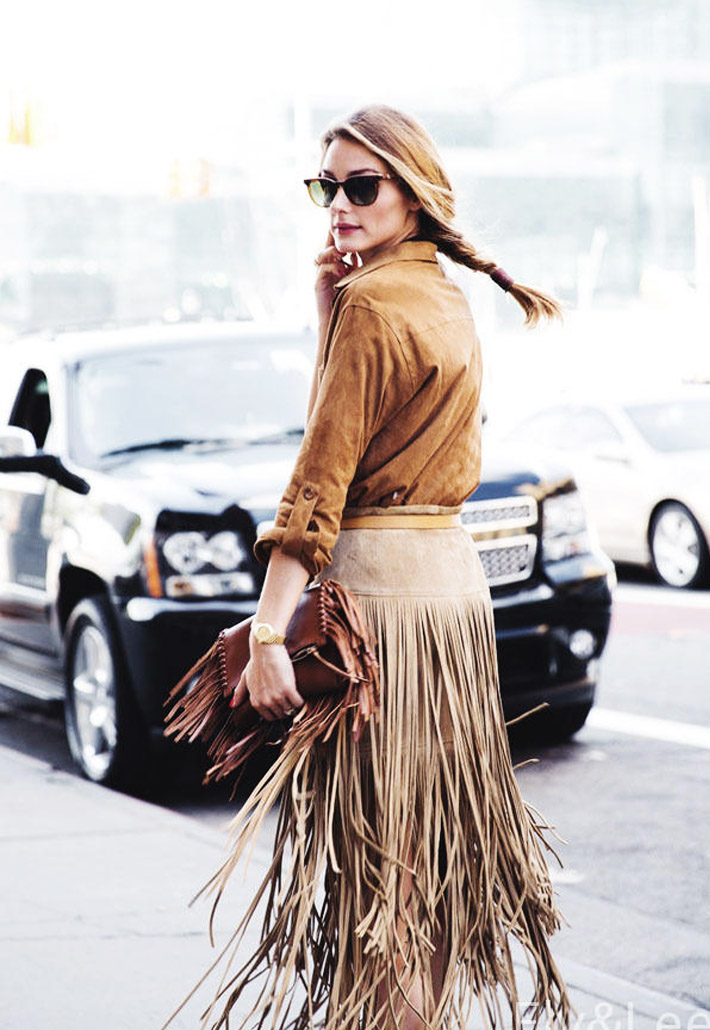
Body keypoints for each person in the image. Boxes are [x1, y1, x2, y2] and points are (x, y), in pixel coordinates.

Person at [188, 105, 571, 1030]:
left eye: (362, 187)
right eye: (326, 187)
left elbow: (318, 486)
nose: (339, 205)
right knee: (434, 868)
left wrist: (269, 634)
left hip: (379, 611)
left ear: (414, 192)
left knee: (380, 883)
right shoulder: (445, 297)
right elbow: (375, 443)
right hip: (451, 606)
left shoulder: (374, 304)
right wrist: (328, 314)